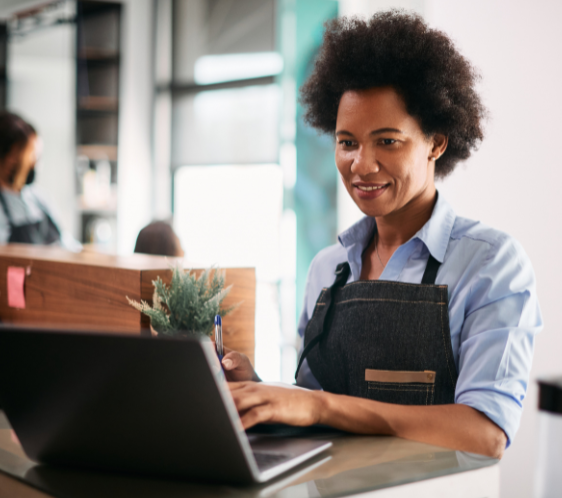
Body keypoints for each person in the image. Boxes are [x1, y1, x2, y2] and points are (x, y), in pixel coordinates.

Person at [223, 11, 543, 459]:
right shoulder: (326, 269)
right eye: (347, 142)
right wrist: (259, 395)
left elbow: (485, 433)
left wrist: (317, 406)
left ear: (435, 142)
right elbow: (317, 415)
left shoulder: (490, 264)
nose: (361, 165)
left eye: (387, 141)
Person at [0, 112, 79, 250]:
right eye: (24, 159)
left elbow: (68, 245)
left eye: (36, 157)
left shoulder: (40, 199)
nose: (33, 165)